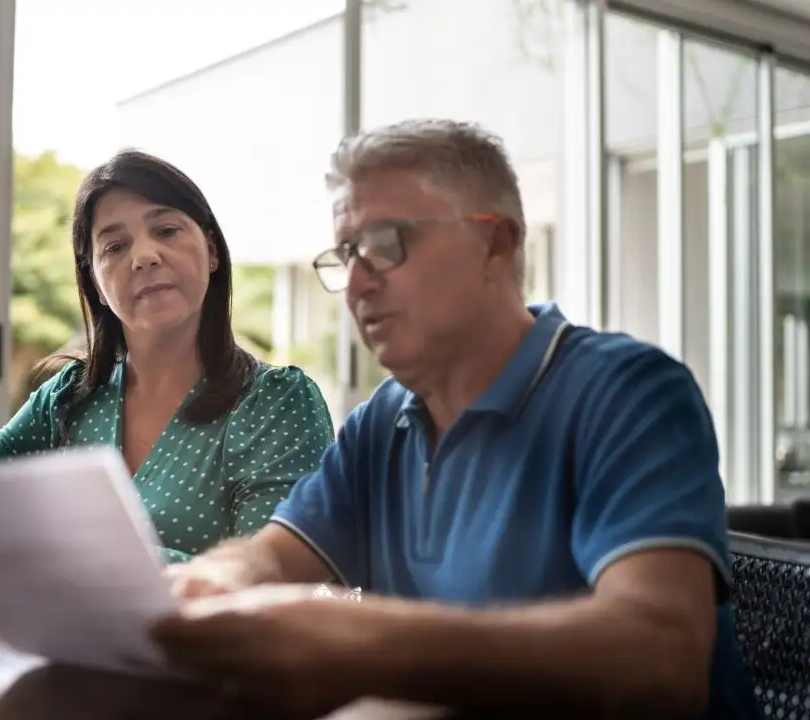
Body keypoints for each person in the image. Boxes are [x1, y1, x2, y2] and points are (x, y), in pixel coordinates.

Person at [151, 120, 762, 719]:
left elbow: (660, 663)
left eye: (386, 243)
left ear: (496, 244)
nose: (358, 282)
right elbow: (275, 558)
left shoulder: (628, 393)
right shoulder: (380, 421)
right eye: (346, 254)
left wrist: (370, 642)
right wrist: (217, 581)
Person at [0, 149, 335, 564]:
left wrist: (77, 551)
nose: (143, 256)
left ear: (211, 250)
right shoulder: (65, 400)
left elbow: (272, 583)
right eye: (115, 246)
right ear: (97, 285)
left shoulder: (277, 402)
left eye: (167, 230)